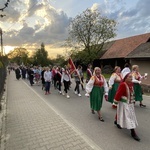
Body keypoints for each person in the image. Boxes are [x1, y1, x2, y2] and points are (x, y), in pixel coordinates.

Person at [113, 71, 140, 141]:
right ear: (125, 78)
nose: (131, 78)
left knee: (122, 114)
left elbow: (132, 94)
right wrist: (115, 103)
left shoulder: (131, 84)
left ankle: (117, 121)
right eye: (130, 77)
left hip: (129, 104)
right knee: (129, 117)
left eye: (131, 77)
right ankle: (133, 132)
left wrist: (133, 101)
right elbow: (118, 94)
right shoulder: (123, 84)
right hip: (124, 103)